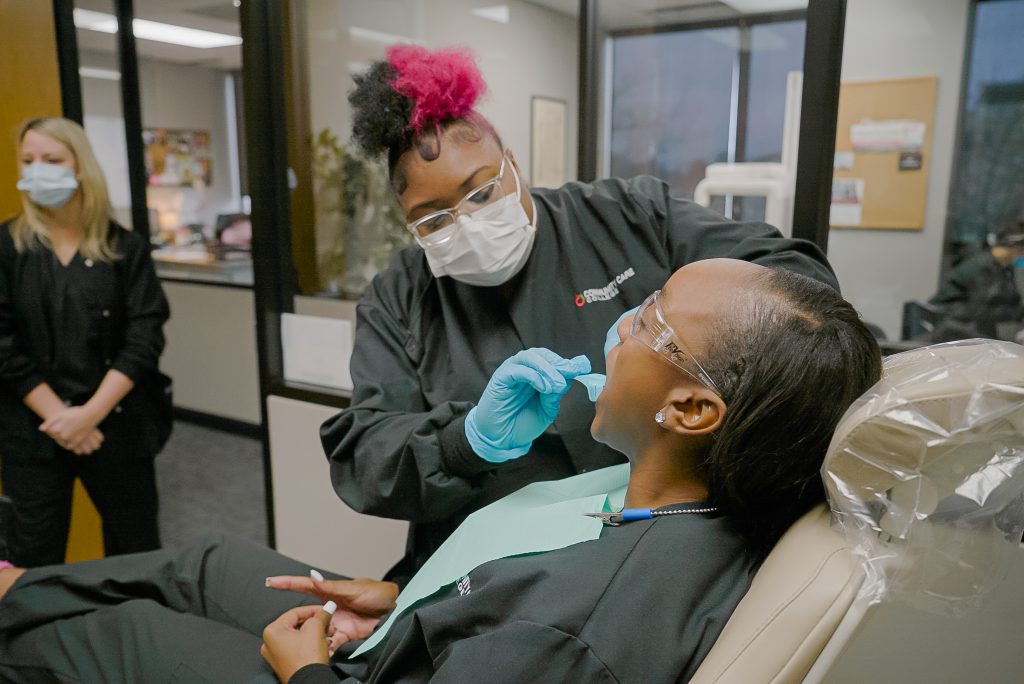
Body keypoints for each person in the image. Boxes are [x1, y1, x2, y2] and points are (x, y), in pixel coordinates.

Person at [0, 259, 882, 683]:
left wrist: (303, 668)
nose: (619, 326)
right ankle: (16, 590)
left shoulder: (574, 634)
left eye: (649, 319)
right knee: (208, 560)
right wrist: (416, 598)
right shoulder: (662, 499)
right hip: (408, 636)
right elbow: (511, 589)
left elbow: (528, 631)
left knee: (109, 643)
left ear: (690, 412)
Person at [320, 45, 842, 581]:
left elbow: (794, 282)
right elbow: (365, 456)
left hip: (655, 543)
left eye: (480, 192)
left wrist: (674, 319)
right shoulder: (399, 297)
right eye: (432, 221)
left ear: (514, 166)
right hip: (487, 569)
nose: (468, 224)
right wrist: (465, 441)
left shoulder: (627, 216)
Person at [0, 117, 171, 566]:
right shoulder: (7, 247)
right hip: (35, 429)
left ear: (80, 167)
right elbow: (3, 344)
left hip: (114, 425)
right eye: (28, 161)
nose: (38, 170)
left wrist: (89, 416)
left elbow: (144, 337)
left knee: (135, 551)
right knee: (33, 558)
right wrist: (61, 418)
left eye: (52, 160)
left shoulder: (124, 249)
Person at [927, 220, 1024, 342]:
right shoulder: (982, 267)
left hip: (969, 327)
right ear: (1017, 249)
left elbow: (1008, 301)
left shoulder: (1003, 268)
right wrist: (1016, 314)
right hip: (952, 328)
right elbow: (981, 310)